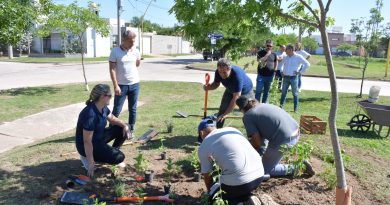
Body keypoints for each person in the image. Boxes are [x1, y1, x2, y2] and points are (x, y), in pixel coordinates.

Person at [236, 95, 315, 177]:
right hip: (295, 132)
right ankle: (275, 159)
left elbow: (257, 143)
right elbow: (262, 139)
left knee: (263, 170)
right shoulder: (263, 105)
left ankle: (299, 167)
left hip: (284, 140)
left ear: (242, 109)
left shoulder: (248, 116)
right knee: (270, 156)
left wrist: (248, 152)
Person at [197, 118, 264, 205]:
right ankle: (248, 198)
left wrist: (210, 193)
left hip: (240, 182)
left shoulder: (204, 145)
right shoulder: (232, 129)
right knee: (236, 186)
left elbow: (207, 176)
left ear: (201, 133)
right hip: (259, 175)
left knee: (215, 198)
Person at [75, 84, 131, 178]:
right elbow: (87, 141)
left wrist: (125, 125)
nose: (111, 97)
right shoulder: (90, 114)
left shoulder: (102, 107)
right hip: (87, 145)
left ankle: (112, 152)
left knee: (123, 127)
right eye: (110, 95)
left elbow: (113, 119)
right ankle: (85, 157)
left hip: (98, 138)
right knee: (119, 157)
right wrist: (91, 162)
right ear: (102, 97)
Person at [109, 30, 141, 137]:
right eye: (131, 41)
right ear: (124, 40)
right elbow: (112, 69)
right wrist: (115, 85)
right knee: (117, 109)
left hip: (135, 84)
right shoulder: (115, 51)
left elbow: (137, 64)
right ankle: (111, 130)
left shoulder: (136, 50)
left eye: (134, 41)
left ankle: (131, 129)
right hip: (121, 86)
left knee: (133, 108)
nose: (133, 43)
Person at [204, 58, 253, 128]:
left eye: (224, 72)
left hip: (246, 91)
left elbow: (236, 97)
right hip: (230, 89)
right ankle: (218, 130)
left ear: (229, 69)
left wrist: (226, 114)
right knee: (222, 110)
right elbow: (216, 84)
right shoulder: (218, 72)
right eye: (220, 71)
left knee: (249, 112)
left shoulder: (237, 74)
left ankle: (253, 134)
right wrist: (208, 87)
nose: (222, 75)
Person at [279, 44, 310, 112]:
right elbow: (280, 65)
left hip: (294, 78)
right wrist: (281, 72)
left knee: (295, 94)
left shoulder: (298, 57)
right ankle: (280, 108)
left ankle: (295, 109)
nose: (285, 51)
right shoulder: (285, 57)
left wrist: (300, 72)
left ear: (290, 50)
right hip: (286, 77)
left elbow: (307, 64)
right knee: (283, 93)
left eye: (286, 49)